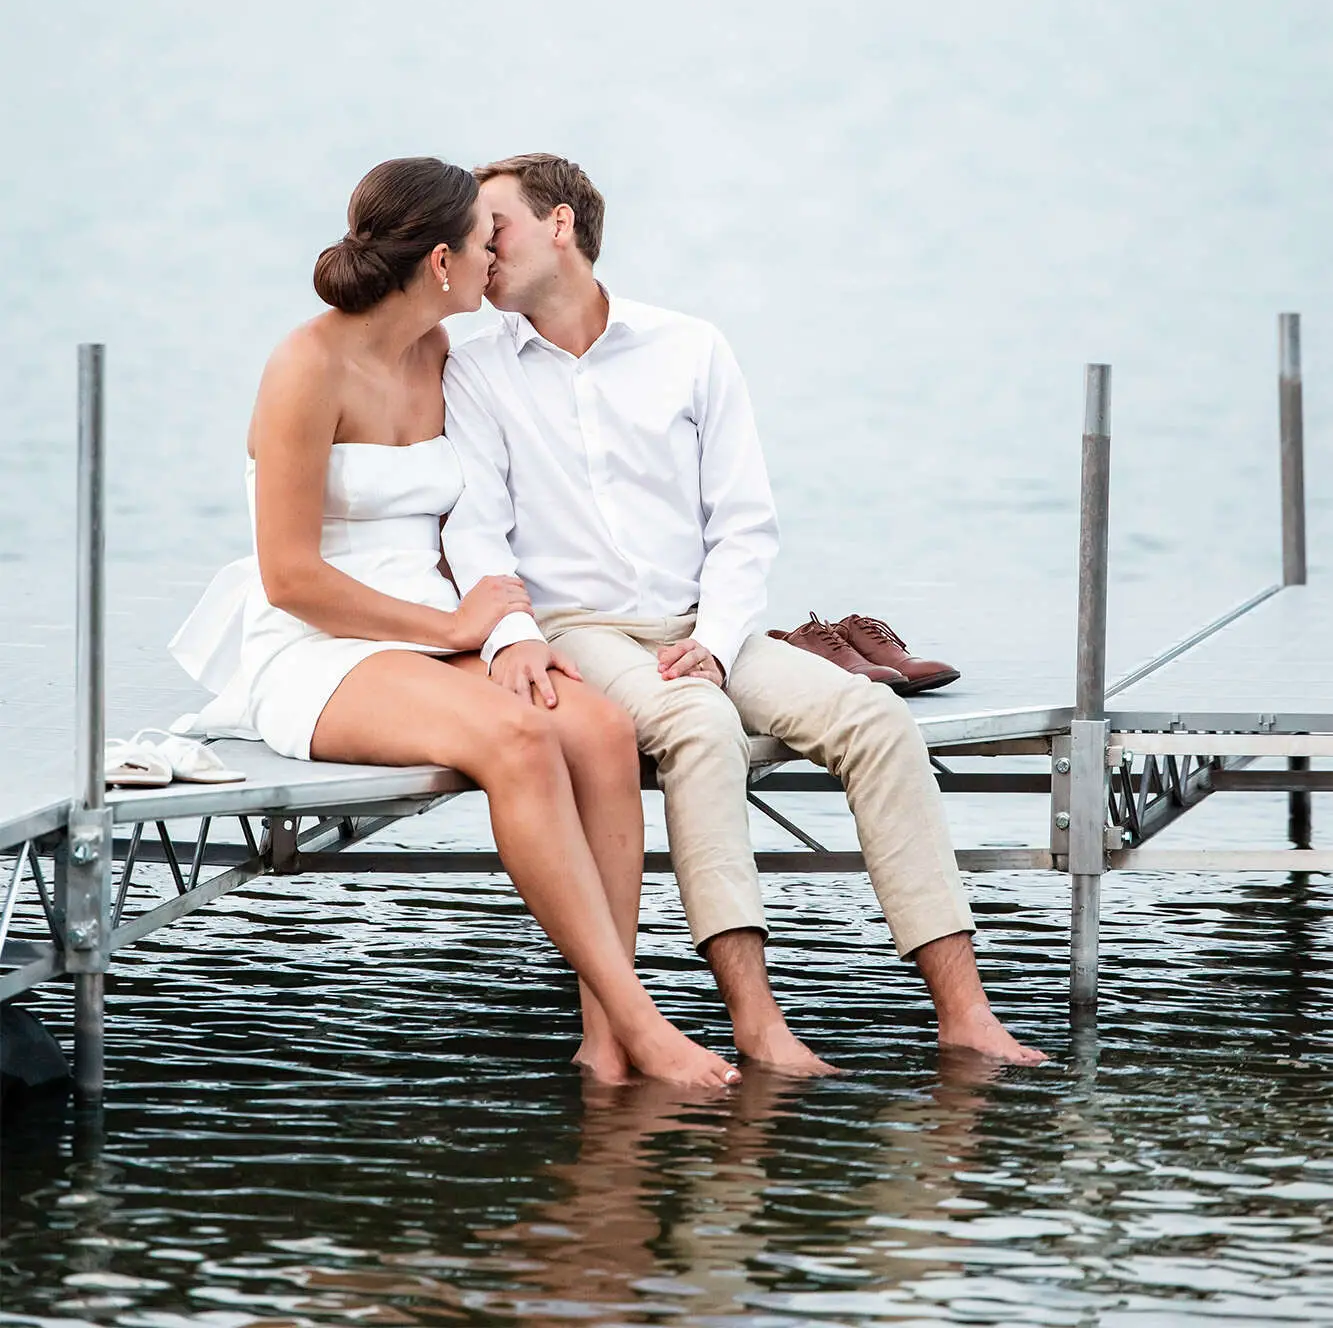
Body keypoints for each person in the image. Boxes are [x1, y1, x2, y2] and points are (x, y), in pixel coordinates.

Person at [442, 154, 1046, 1074]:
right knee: (695, 726)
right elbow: (476, 532)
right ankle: (756, 1024)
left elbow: (743, 526)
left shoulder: (689, 346)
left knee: (874, 718)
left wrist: (717, 646)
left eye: (497, 228)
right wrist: (514, 638)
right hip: (578, 633)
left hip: (701, 621)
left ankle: (964, 1012)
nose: (480, 251)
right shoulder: (474, 367)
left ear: (559, 225)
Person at [170, 157, 740, 1093]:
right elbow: (289, 576)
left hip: (444, 627)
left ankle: (604, 1039)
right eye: (486, 243)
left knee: (598, 729)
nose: (498, 258)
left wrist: (507, 621)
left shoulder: (446, 355)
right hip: (321, 642)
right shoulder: (305, 367)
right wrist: (455, 624)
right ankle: (645, 1020)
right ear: (441, 262)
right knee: (517, 735)